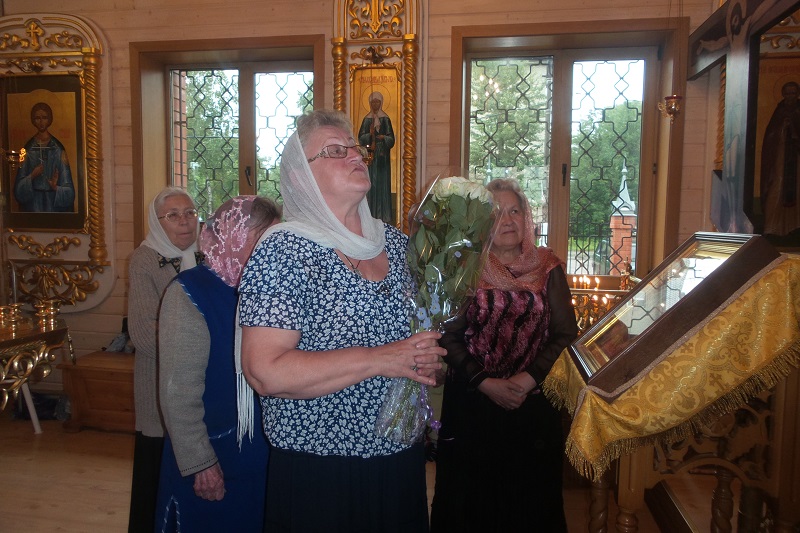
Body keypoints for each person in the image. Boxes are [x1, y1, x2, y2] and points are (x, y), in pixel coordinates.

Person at [239, 109, 445, 532]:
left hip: (400, 461)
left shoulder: (397, 244)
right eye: (335, 151)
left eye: (354, 147)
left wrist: (428, 362)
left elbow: (417, 346)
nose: (355, 155)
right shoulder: (284, 251)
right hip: (321, 472)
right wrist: (381, 359)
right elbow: (265, 372)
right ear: (300, 177)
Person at [429, 178, 579, 533]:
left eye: (514, 211)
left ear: (526, 217)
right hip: (473, 405)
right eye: (496, 213)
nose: (507, 220)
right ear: (482, 221)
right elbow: (448, 335)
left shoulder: (549, 267)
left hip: (533, 406)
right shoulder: (464, 267)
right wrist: (485, 382)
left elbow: (565, 333)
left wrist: (527, 380)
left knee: (530, 504)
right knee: (471, 505)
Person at [155, 195, 281, 532]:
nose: (270, 250)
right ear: (231, 237)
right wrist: (200, 462)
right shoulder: (190, 292)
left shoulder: (270, 289)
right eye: (261, 240)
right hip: (215, 454)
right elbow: (178, 391)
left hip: (264, 453)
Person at [127, 187, 202, 533]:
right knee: (156, 477)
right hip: (159, 382)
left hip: (199, 385)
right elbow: (144, 335)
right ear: (157, 223)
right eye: (173, 215)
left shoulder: (207, 254)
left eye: (190, 212)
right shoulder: (144, 259)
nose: (185, 221)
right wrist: (201, 345)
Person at [13, 102, 76, 212]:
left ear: (50, 119)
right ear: (33, 120)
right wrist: (32, 175)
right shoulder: (27, 149)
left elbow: (69, 191)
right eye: (37, 118)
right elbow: (18, 190)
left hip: (53, 205)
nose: (41, 122)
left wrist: (55, 187)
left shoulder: (58, 149)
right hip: (33, 205)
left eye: (45, 118)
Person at [760, 80, 800, 236]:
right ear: (783, 94)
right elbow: (771, 134)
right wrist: (783, 128)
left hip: (797, 158)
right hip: (781, 156)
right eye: (788, 93)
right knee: (777, 186)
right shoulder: (779, 111)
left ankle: (796, 225)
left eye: (793, 93)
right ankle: (773, 226)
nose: (790, 96)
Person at [358, 91, 395, 223]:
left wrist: (383, 137)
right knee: (371, 184)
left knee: (382, 185)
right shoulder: (367, 119)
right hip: (371, 158)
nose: (375, 104)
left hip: (383, 158)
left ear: (381, 103)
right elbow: (361, 138)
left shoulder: (385, 119)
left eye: (377, 102)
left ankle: (384, 216)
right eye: (373, 102)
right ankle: (370, 216)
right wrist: (370, 134)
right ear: (370, 103)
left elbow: (391, 139)